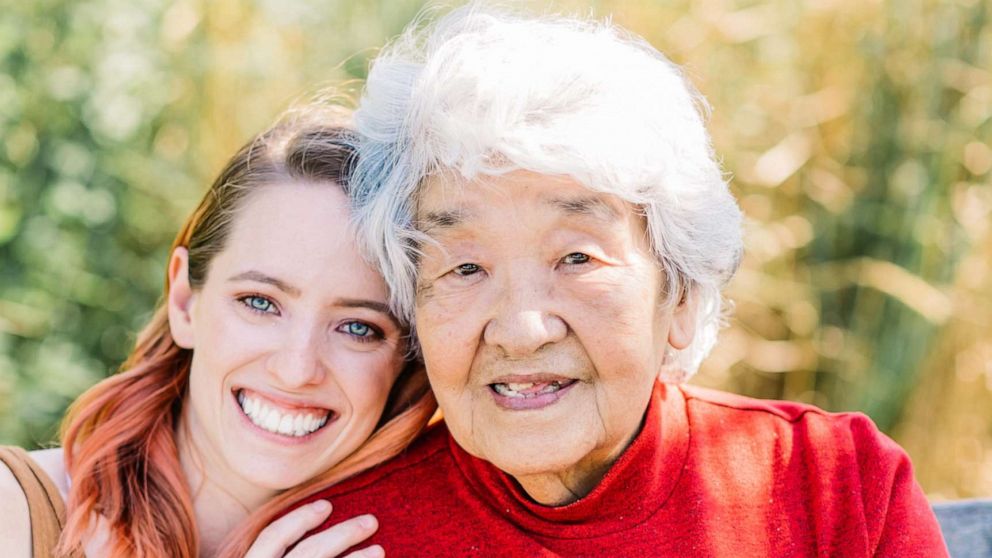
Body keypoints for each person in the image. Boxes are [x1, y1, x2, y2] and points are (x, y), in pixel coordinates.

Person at [286, 6, 950, 557]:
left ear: (681, 294)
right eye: (465, 267)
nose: (521, 329)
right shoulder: (344, 533)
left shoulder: (835, 490)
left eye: (576, 258)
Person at [0, 104, 436, 557]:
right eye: (260, 303)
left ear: (408, 357)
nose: (296, 368)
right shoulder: (14, 515)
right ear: (184, 301)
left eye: (358, 328)